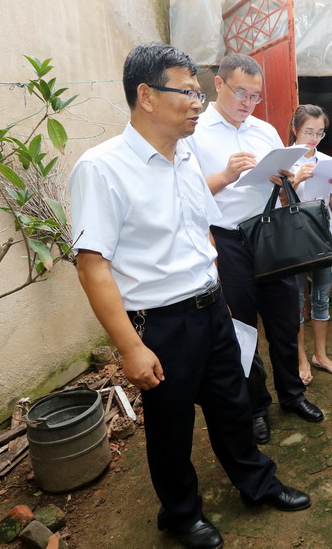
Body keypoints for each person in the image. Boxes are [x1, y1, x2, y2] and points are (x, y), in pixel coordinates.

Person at [69, 42, 310, 549]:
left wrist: (217, 292)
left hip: (211, 306)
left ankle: (256, 483)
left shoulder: (183, 158)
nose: (199, 103)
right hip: (160, 321)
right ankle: (181, 513)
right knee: (171, 425)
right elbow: (92, 266)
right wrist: (131, 347)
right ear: (146, 96)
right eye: (188, 92)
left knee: (232, 402)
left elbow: (203, 233)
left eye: (199, 93)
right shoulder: (102, 168)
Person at [183, 53, 323, 446]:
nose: (248, 102)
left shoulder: (264, 131)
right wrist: (227, 175)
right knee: (242, 329)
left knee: (285, 320)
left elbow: (282, 189)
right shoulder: (195, 132)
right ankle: (256, 407)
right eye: (241, 92)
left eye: (255, 96)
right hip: (226, 241)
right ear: (219, 84)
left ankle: (292, 394)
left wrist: (286, 180)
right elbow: (186, 196)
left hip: (270, 235)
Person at [286, 104, 332, 385]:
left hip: (323, 236)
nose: (314, 138)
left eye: (320, 133)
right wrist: (296, 180)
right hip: (295, 238)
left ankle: (320, 355)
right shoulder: (284, 161)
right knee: (297, 301)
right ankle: (300, 357)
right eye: (308, 131)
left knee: (321, 298)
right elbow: (278, 204)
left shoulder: (327, 161)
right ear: (296, 129)